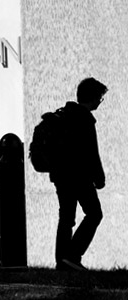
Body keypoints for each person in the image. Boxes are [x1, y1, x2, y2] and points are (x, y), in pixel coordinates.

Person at [51, 77, 107, 271]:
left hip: (61, 175)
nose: (100, 101)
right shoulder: (85, 119)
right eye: (100, 97)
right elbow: (91, 152)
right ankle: (73, 255)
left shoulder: (66, 114)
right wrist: (99, 178)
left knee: (66, 217)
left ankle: (62, 261)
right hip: (80, 177)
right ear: (92, 97)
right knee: (95, 214)